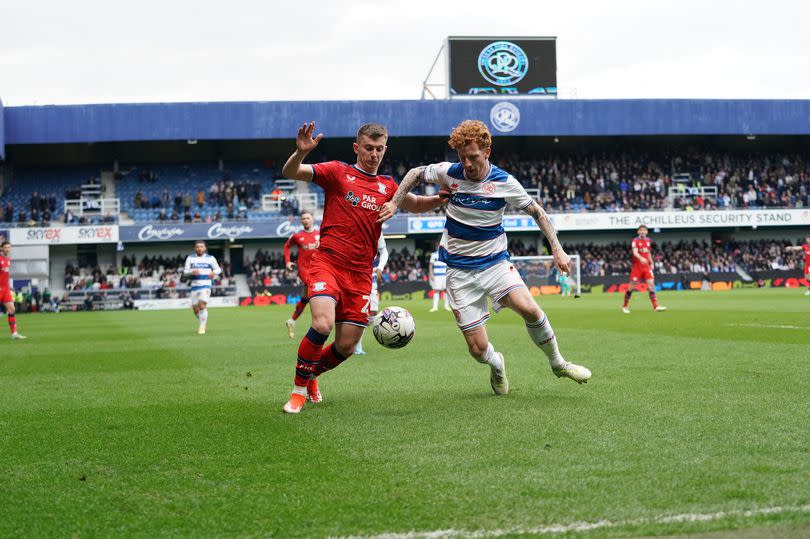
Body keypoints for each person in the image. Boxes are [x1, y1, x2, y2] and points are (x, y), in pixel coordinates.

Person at [379, 120, 591, 395]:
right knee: (478, 350)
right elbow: (416, 173)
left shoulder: (504, 182)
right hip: (459, 272)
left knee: (529, 308)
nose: (467, 163)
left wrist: (557, 248)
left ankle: (558, 363)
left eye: (473, 157)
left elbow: (538, 212)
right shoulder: (450, 173)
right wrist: (395, 203)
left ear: (487, 151)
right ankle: (496, 364)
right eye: (462, 157)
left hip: (495, 264)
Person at [280, 121, 445, 414]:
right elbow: (291, 172)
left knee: (345, 346)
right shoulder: (337, 172)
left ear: (385, 149)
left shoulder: (389, 186)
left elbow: (416, 203)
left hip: (360, 275)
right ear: (357, 148)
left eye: (379, 149)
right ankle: (298, 391)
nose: (374, 154)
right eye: (368, 148)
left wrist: (442, 198)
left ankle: (312, 374)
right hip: (328, 263)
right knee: (321, 324)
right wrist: (300, 153)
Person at [284, 211, 320, 338]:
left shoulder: (319, 235)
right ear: (301, 221)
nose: (306, 220)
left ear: (312, 219)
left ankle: (292, 320)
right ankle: (317, 324)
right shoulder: (297, 236)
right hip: (304, 269)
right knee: (314, 292)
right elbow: (286, 246)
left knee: (305, 298)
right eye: (303, 218)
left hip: (318, 269)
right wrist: (288, 262)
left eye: (308, 218)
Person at [355, 234, 389, 355]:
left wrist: (380, 267)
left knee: (373, 313)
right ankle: (356, 346)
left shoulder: (377, 231)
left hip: (371, 275)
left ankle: (353, 339)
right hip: (354, 274)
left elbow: (384, 251)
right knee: (360, 311)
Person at [622, 225, 667, 313]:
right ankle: (625, 306)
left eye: (644, 230)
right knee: (631, 286)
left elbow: (648, 252)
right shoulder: (635, 241)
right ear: (638, 232)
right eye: (641, 230)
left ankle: (656, 306)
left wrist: (652, 262)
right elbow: (635, 253)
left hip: (646, 267)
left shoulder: (648, 240)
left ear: (646, 232)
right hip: (637, 267)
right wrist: (641, 258)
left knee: (651, 286)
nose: (642, 232)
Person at [183, 240, 222, 335]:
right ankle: (203, 320)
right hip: (194, 286)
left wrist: (214, 272)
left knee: (202, 305)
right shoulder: (190, 258)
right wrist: (191, 272)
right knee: (196, 309)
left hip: (205, 285)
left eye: (201, 246)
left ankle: (202, 327)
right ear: (195, 248)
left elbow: (218, 269)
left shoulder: (210, 258)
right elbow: (185, 272)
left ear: (205, 248)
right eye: (198, 247)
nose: (199, 248)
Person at [0, 242, 26, 339]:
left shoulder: (7, 259)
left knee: (12, 309)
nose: (7, 249)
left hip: (6, 289)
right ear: (1, 248)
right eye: (5, 247)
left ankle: (14, 334)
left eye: (9, 247)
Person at [428, 241, 450, 312]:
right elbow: (431, 265)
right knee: (436, 290)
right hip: (437, 275)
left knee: (446, 290)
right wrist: (431, 274)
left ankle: (446, 306)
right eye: (438, 245)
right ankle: (435, 307)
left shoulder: (446, 254)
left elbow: (449, 264)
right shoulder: (433, 255)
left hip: (445, 275)